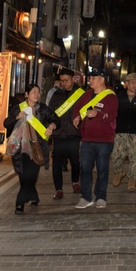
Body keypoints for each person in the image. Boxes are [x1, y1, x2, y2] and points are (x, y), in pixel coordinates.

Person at [6, 85, 59, 214]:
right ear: (26, 94)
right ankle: (33, 197)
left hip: (36, 148)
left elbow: (56, 119)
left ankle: (19, 203)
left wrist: (51, 126)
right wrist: (16, 117)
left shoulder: (42, 109)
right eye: (33, 92)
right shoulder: (18, 108)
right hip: (20, 149)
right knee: (24, 177)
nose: (36, 95)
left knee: (30, 176)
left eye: (38, 92)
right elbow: (6, 123)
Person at [71, 68, 118, 209]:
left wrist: (97, 113)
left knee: (102, 169)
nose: (90, 80)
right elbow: (77, 109)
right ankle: (85, 197)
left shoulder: (111, 97)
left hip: (104, 140)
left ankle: (101, 196)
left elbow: (110, 116)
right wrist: (76, 117)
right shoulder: (87, 95)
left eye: (93, 78)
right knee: (85, 168)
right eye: (90, 78)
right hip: (87, 139)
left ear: (101, 79)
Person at [48, 69, 84, 199]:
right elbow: (50, 112)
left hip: (74, 134)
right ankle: (58, 189)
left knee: (75, 162)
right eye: (62, 80)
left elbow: (86, 111)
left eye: (66, 80)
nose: (64, 83)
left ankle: (75, 182)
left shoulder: (80, 94)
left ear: (73, 79)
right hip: (58, 135)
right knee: (56, 163)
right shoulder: (56, 94)